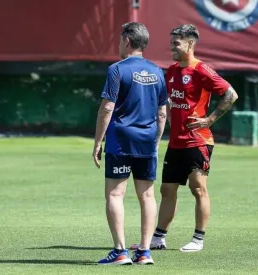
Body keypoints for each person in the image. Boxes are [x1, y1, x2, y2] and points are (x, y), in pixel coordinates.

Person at [132, 24, 238, 253]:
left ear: (190, 43)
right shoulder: (170, 71)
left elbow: (231, 94)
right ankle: (158, 238)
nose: (172, 46)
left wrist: (210, 119)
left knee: (198, 188)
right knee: (167, 190)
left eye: (176, 42)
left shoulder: (202, 70)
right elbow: (170, 101)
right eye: (171, 42)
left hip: (198, 141)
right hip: (176, 142)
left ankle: (198, 239)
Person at [93, 22, 168, 265]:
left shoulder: (117, 69)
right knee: (147, 195)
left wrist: (97, 141)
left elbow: (107, 108)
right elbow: (162, 113)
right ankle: (145, 252)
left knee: (116, 194)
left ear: (127, 40)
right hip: (147, 140)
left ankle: (120, 251)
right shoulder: (158, 71)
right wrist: (155, 140)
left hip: (121, 140)